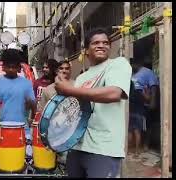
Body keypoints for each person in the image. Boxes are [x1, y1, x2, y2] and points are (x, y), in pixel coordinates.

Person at [54, 28, 132, 178]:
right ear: (86, 50)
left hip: (103, 148)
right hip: (77, 145)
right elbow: (75, 109)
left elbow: (114, 93)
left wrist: (69, 90)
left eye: (105, 43)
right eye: (95, 43)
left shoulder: (117, 64)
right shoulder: (82, 78)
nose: (101, 45)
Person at [0, 49, 36, 125]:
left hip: (22, 128)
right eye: (8, 67)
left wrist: (31, 118)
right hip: (1, 127)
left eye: (14, 67)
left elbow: (33, 104)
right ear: (3, 67)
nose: (11, 69)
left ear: (19, 68)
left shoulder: (26, 83)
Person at [130, 58, 160, 152]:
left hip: (145, 104)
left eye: (132, 65)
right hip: (134, 104)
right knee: (135, 127)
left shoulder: (147, 72)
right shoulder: (131, 73)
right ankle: (135, 146)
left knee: (146, 125)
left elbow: (153, 87)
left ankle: (146, 144)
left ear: (137, 63)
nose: (131, 67)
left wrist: (153, 102)